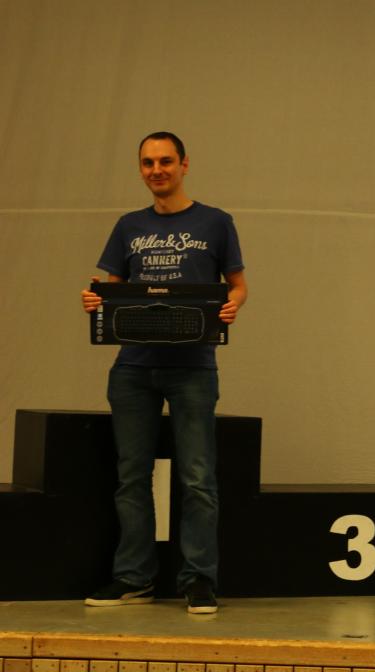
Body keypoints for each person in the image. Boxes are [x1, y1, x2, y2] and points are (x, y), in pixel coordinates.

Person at [80, 131, 247, 615]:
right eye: (149, 162)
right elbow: (111, 291)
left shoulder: (216, 222)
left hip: (193, 368)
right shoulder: (128, 226)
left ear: (184, 165)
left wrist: (233, 306)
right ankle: (134, 579)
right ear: (141, 169)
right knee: (132, 477)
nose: (157, 170)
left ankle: (199, 580)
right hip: (133, 368)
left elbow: (237, 286)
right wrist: (93, 300)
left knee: (197, 478)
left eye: (166, 161)